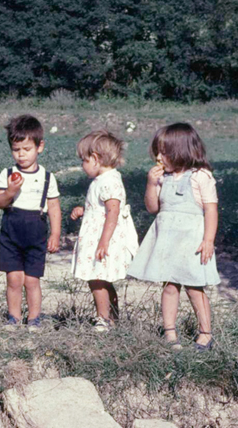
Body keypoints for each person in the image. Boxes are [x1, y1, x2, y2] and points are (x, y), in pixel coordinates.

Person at [127, 122, 220, 351]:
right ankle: (170, 332)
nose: (158, 158)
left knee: (194, 287)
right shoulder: (163, 178)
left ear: (182, 151)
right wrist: (151, 183)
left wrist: (208, 240)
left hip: (192, 242)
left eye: (164, 152)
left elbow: (211, 209)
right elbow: (152, 208)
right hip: (168, 240)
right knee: (169, 285)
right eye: (157, 152)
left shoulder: (200, 176)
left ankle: (205, 333)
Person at [0, 115, 62, 332]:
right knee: (14, 279)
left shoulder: (48, 178)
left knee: (32, 280)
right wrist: (10, 191)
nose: (21, 154)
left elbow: (54, 208)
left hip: (36, 231)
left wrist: (55, 234)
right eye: (16, 150)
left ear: (40, 147)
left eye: (26, 149)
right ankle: (13, 317)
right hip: (11, 231)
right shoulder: (7, 174)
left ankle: (34, 318)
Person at [70, 130, 139, 332]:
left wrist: (104, 241)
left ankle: (103, 318)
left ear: (95, 159)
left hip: (102, 239)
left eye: (84, 160)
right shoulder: (104, 180)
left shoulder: (109, 181)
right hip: (98, 236)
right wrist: (85, 210)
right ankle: (112, 318)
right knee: (102, 278)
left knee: (97, 279)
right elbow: (101, 209)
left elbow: (113, 212)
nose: (82, 165)